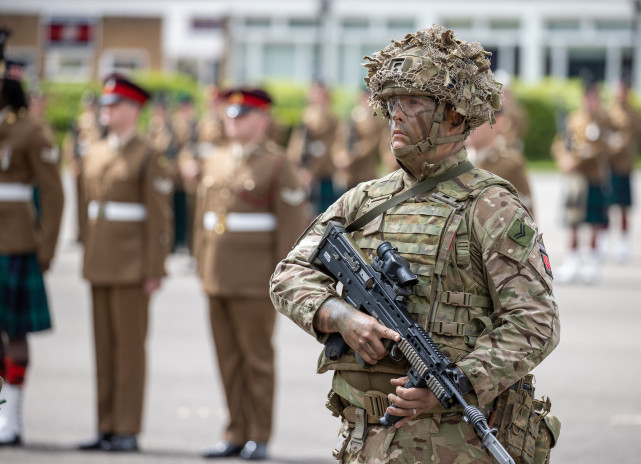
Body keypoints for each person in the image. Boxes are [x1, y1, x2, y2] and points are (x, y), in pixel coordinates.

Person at [270, 25, 560, 464]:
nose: (397, 115)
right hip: (367, 441)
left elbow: (537, 323)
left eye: (414, 103)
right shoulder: (364, 199)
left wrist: (458, 380)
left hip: (457, 444)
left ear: (456, 117)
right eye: (392, 103)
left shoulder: (490, 207)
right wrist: (342, 317)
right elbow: (289, 274)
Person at [195, 87, 306, 460]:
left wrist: (283, 281)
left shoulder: (278, 164)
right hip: (218, 276)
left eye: (241, 115)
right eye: (229, 114)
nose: (232, 120)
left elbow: (290, 230)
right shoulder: (216, 158)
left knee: (256, 360)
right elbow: (202, 222)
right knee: (226, 359)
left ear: (262, 120)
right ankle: (235, 432)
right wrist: (201, 267)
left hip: (256, 279)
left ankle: (259, 434)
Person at [78, 73, 173, 452]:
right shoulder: (95, 151)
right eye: (105, 104)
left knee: (129, 352)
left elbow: (159, 218)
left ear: (133, 110)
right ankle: (104, 425)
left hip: (132, 268)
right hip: (100, 263)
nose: (106, 110)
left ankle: (127, 428)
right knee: (103, 350)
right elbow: (87, 214)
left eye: (114, 105)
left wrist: (155, 269)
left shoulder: (148, 154)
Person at [0, 35, 64, 446]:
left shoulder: (29, 130)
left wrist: (45, 250)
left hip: (14, 240)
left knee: (14, 333)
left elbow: (53, 193)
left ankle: (13, 416)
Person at [551, 82, 610, 283]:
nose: (591, 102)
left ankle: (591, 264)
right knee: (573, 222)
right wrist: (563, 160)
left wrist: (575, 159)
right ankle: (572, 262)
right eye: (588, 97)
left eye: (595, 98)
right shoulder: (574, 118)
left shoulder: (604, 120)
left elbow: (600, 148)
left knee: (593, 223)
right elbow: (560, 143)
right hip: (575, 178)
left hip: (593, 177)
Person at [286, 81, 341, 219]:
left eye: (321, 94)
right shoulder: (305, 115)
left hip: (323, 173)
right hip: (304, 171)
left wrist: (312, 172)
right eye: (315, 93)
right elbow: (297, 142)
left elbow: (328, 147)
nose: (317, 97)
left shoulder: (332, 118)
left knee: (324, 215)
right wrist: (295, 165)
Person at [467, 108, 535, 217]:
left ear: (496, 122)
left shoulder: (511, 165)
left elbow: (527, 222)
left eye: (475, 118)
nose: (468, 123)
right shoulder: (460, 160)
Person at [604, 78, 640, 262]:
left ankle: (624, 245)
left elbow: (626, 139)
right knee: (606, 205)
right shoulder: (609, 110)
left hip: (624, 166)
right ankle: (604, 243)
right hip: (609, 166)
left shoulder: (633, 114)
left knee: (624, 207)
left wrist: (607, 146)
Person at [62, 90, 104, 243]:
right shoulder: (79, 122)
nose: (91, 107)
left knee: (95, 199)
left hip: (96, 167)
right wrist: (73, 163)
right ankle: (81, 232)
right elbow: (71, 143)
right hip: (81, 165)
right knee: (80, 201)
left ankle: (93, 231)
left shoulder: (101, 122)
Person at [333, 89, 388, 190]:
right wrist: (338, 155)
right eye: (364, 98)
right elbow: (338, 140)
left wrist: (349, 156)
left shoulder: (377, 122)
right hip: (347, 175)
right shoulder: (350, 118)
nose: (366, 101)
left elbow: (370, 144)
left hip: (365, 175)